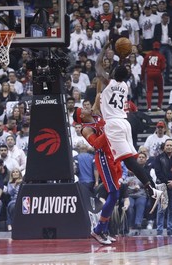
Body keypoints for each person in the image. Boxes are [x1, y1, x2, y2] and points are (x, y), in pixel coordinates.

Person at [95, 40, 164, 213]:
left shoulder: (108, 83)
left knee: (129, 161)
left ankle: (151, 190)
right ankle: (151, 188)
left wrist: (105, 48)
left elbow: (97, 66)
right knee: (132, 160)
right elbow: (119, 72)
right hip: (125, 123)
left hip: (114, 125)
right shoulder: (125, 85)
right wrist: (122, 58)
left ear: (112, 75)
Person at [72, 102, 122, 245]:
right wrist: (108, 131)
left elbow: (99, 94)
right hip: (103, 158)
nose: (87, 107)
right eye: (84, 108)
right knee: (114, 194)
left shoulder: (95, 115)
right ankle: (98, 230)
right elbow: (96, 145)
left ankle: (103, 229)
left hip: (113, 154)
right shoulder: (86, 129)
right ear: (82, 115)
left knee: (115, 195)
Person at [154, 139, 172, 236]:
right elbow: (158, 172)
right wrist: (167, 182)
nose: (169, 147)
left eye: (171, 145)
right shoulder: (158, 158)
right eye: (167, 145)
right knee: (161, 209)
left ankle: (170, 230)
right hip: (162, 186)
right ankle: (159, 231)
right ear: (164, 147)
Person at [125, 152, 151, 230]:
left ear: (146, 159)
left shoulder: (146, 170)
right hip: (130, 194)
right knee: (129, 206)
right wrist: (129, 184)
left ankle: (138, 224)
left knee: (140, 204)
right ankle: (129, 225)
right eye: (139, 157)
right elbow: (124, 181)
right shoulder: (128, 169)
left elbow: (149, 182)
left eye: (143, 157)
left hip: (141, 194)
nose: (141, 158)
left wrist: (139, 185)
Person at [141, 41, 166, 112]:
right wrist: (159, 71)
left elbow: (143, 67)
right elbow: (163, 67)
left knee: (149, 91)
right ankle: (158, 106)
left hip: (149, 73)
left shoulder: (147, 55)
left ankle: (149, 107)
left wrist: (142, 77)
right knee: (160, 90)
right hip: (157, 73)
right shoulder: (161, 56)